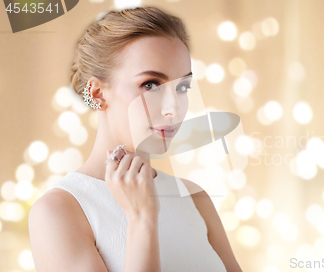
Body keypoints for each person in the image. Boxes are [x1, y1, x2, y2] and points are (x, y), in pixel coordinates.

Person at [28, 6, 242, 272]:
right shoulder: (59, 211)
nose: (173, 108)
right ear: (97, 94)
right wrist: (141, 219)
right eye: (151, 84)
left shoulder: (194, 197)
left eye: (182, 87)